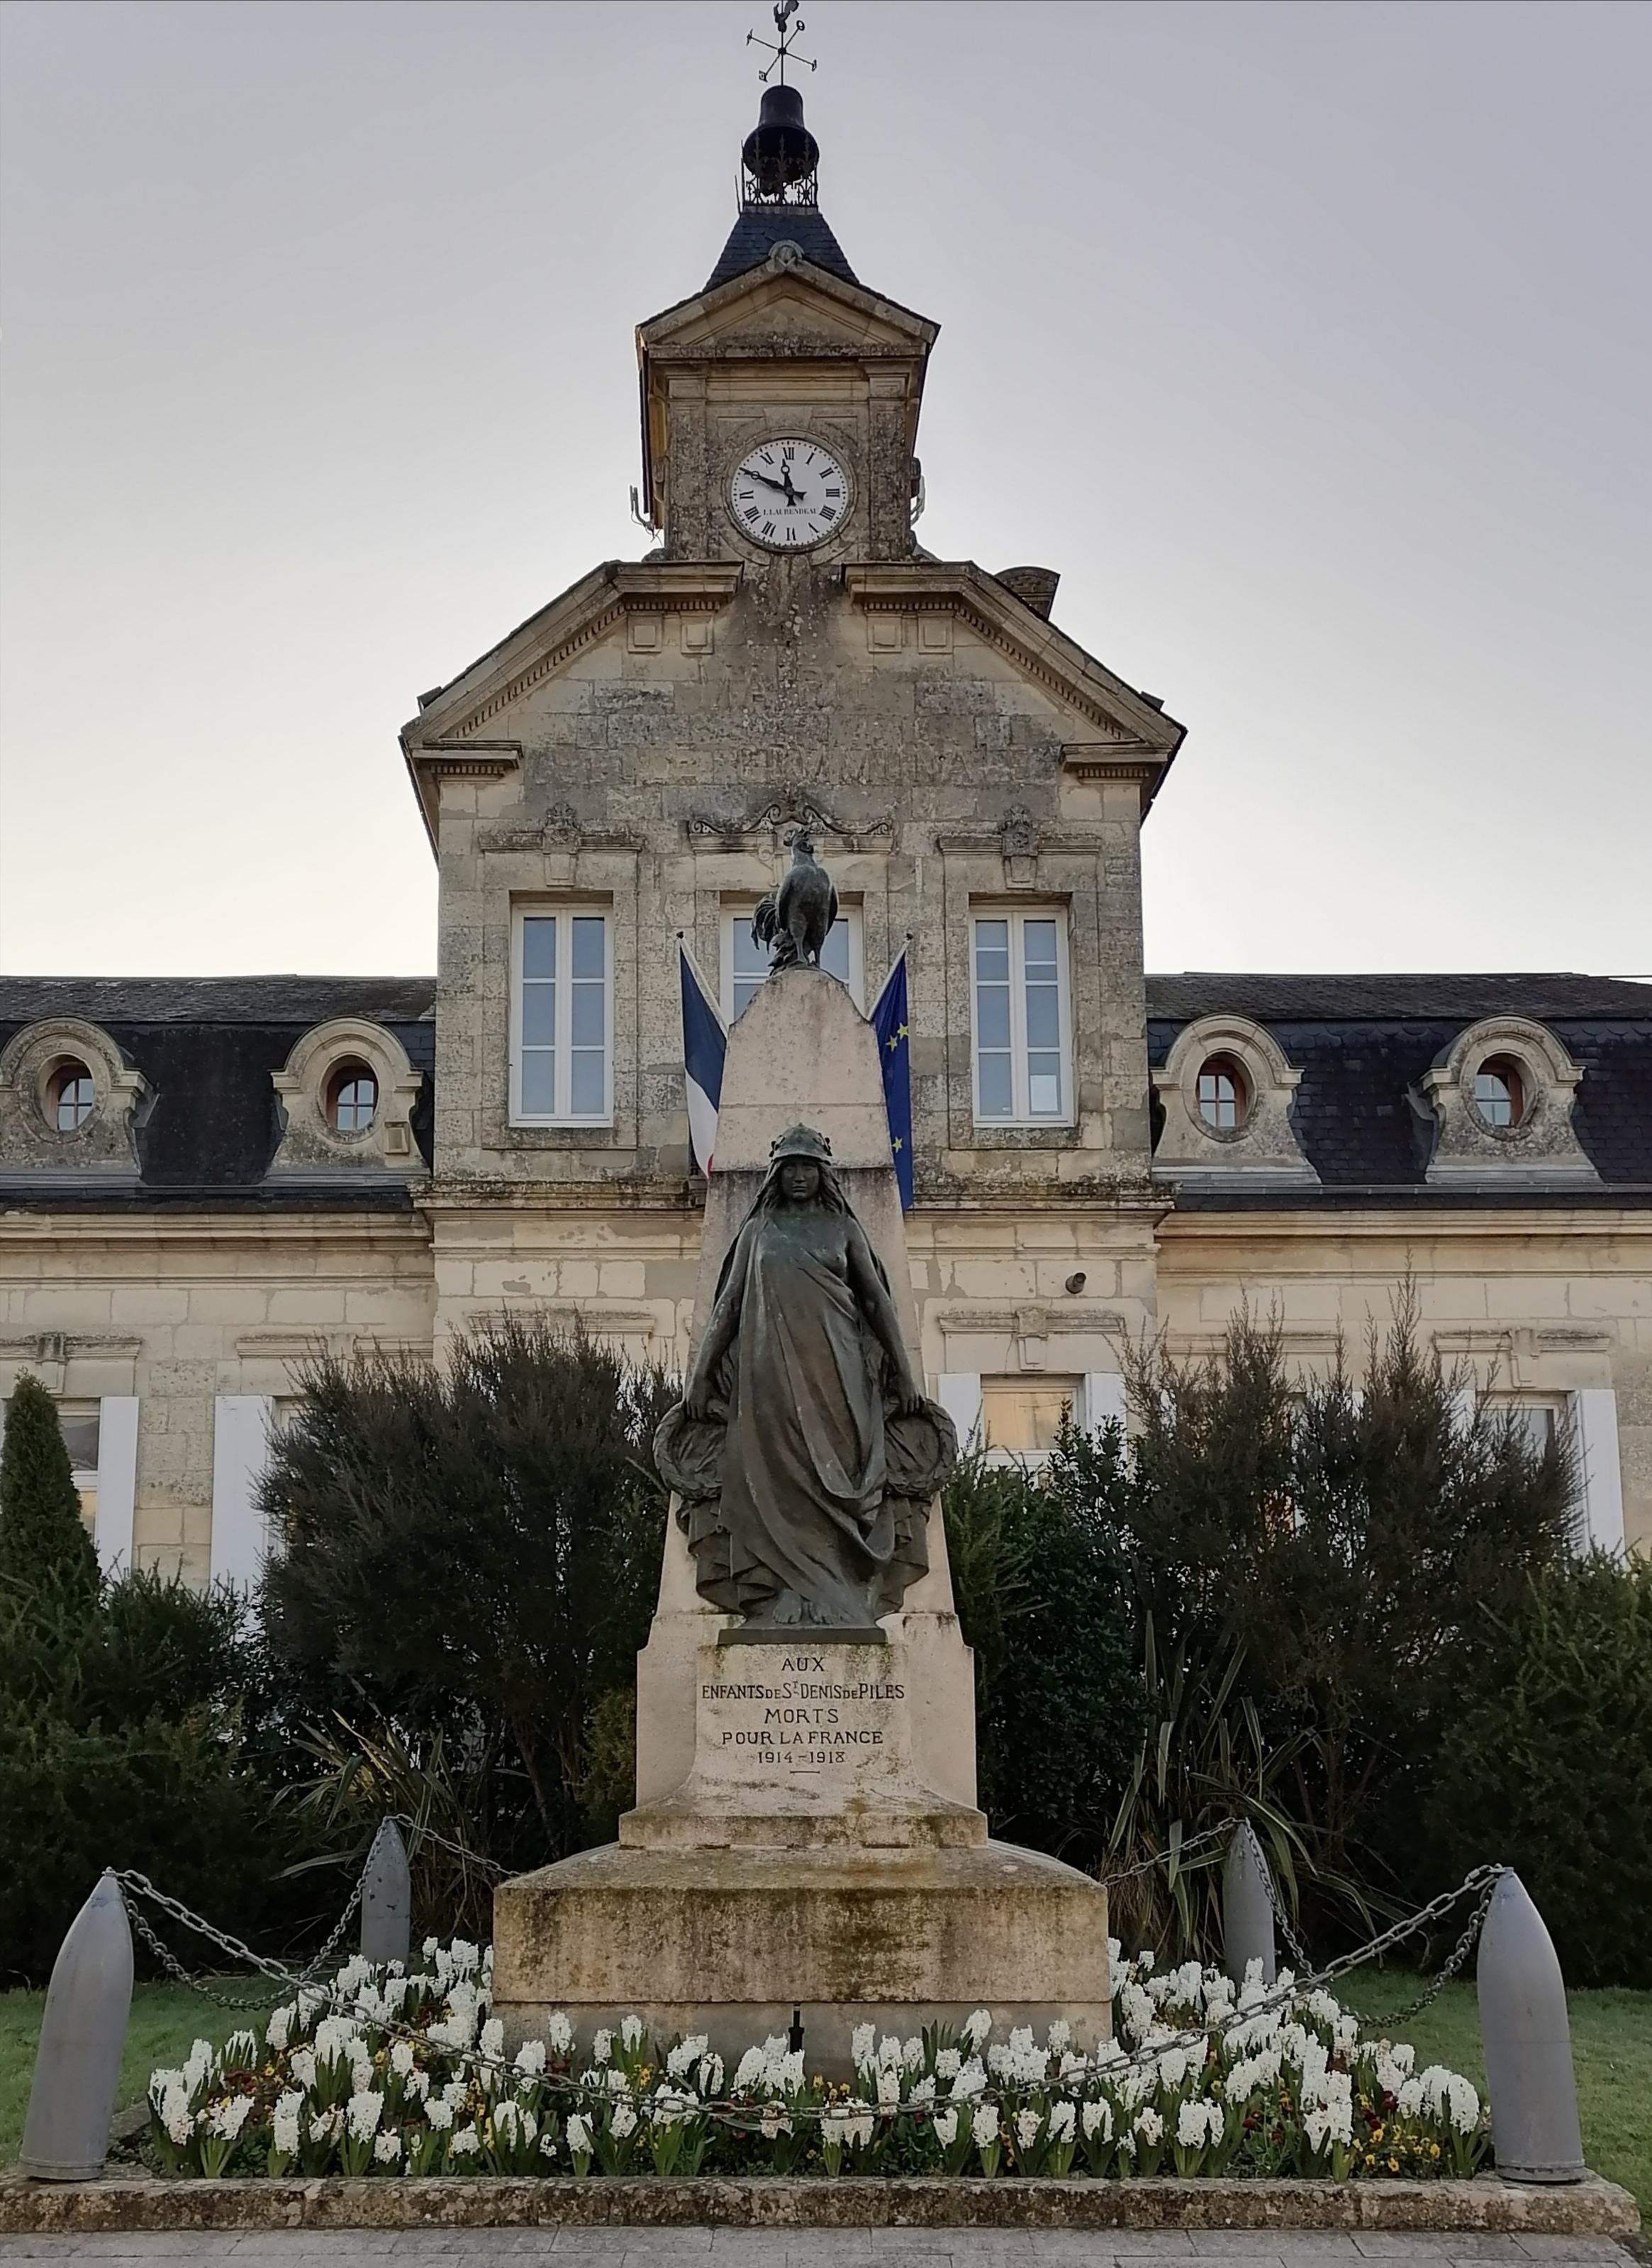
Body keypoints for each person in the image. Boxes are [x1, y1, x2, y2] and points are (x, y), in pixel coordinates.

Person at [658, 1123, 951, 1630]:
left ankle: (839, 1591)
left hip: (839, 1376)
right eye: (790, 1167)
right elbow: (727, 1308)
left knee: (839, 1476)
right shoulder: (758, 1231)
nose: (798, 1176)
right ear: (777, 1173)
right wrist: (702, 1375)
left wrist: (904, 1376)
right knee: (774, 1481)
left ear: (822, 1173)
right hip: (768, 1380)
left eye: (807, 1167)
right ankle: (783, 1592)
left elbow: (878, 1305)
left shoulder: (844, 1229)